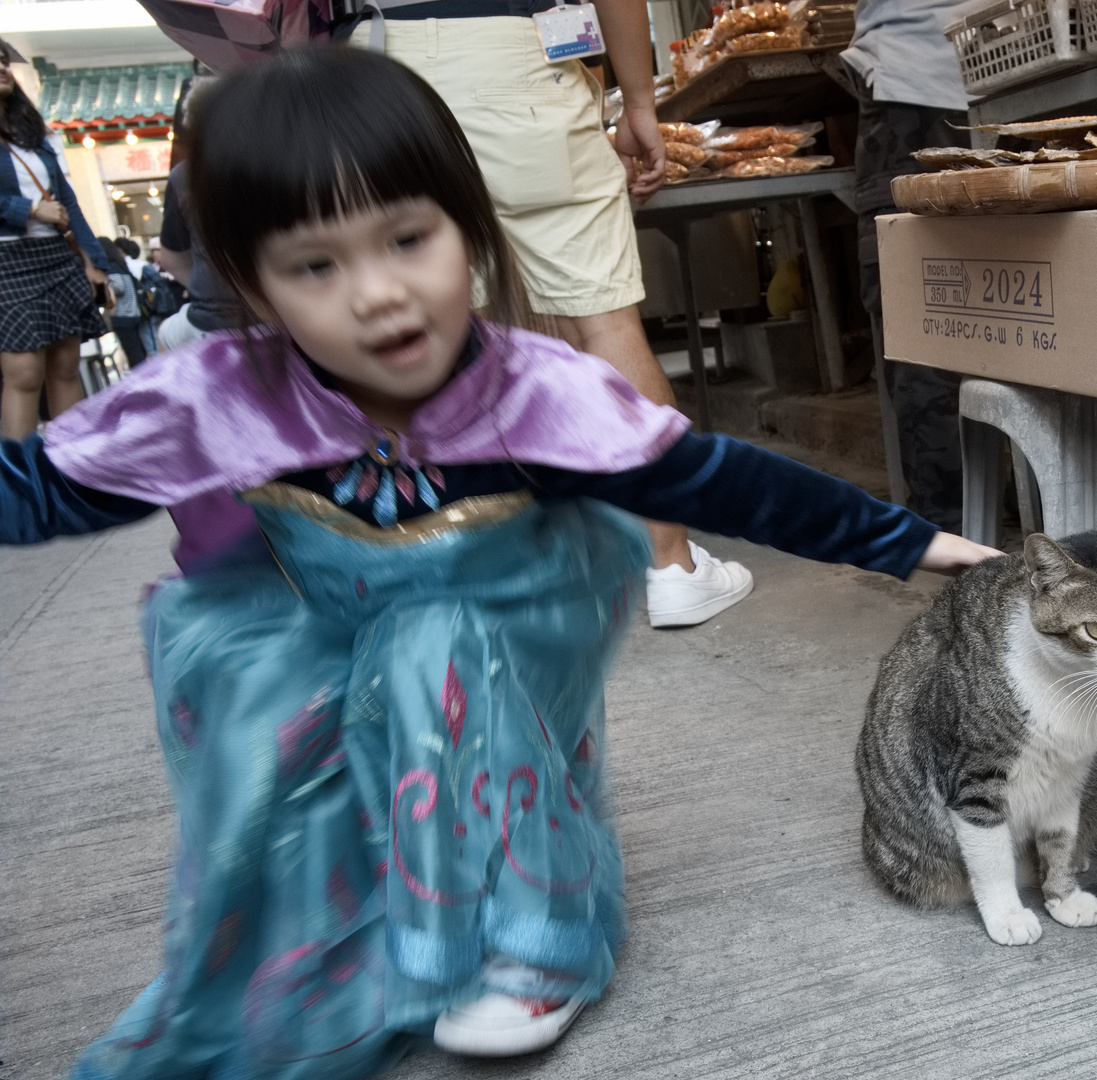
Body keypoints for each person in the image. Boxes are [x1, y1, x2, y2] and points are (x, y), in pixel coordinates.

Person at [0, 47, 998, 1077]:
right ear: (251, 285)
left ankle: (538, 941)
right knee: (253, 695)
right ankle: (361, 922)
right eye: (316, 266)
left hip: (512, 621)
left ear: (467, 232)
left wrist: (904, 542)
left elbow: (720, 481)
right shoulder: (220, 395)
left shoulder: (536, 392)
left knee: (434, 651)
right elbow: (41, 487)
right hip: (329, 625)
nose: (380, 296)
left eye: (407, 239)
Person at [351, 1, 754, 628]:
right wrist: (639, 105)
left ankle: (510, 579)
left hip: (378, 72)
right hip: (511, 61)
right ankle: (670, 567)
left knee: (459, 339)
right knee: (605, 325)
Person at [843, 0, 973, 533]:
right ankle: (1030, 495)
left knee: (918, 303)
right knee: (1020, 294)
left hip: (914, 82)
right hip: (1009, 58)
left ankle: (951, 522)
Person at [0, 49, 110, 438]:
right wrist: (27, 210)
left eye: (2, 59)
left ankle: (71, 477)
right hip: (8, 261)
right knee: (24, 373)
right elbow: (42, 207)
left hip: (57, 257)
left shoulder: (35, 134)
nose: (1, 67)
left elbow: (69, 202)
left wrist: (92, 260)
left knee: (66, 366)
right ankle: (18, 487)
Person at [155, 77, 245, 351]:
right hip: (283, 316)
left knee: (165, 335)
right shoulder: (280, 166)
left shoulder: (184, 176)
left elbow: (171, 258)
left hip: (212, 320)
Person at [98, 236, 148, 366]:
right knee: (138, 352)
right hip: (134, 314)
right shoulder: (121, 266)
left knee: (134, 356)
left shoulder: (111, 268)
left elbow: (119, 287)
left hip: (122, 316)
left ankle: (141, 381)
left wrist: (104, 281)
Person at [114, 235, 162, 354]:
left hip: (145, 312)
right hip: (148, 310)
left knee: (153, 348)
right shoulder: (141, 265)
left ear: (121, 250)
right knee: (154, 346)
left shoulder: (131, 266)